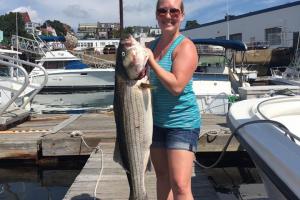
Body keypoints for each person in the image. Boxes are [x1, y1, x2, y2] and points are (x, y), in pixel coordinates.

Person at [146, 0, 201, 199]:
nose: (168, 16)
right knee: (162, 177)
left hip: (182, 123)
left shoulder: (185, 47)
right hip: (156, 122)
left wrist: (151, 61)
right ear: (156, 14)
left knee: (180, 184)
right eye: (162, 11)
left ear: (182, 15)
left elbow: (177, 86)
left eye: (174, 11)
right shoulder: (150, 46)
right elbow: (148, 83)